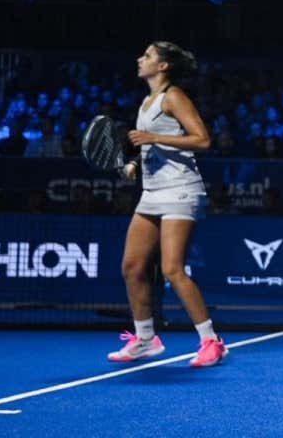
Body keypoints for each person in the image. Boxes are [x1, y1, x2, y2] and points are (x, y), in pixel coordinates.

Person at [107, 42, 226, 368]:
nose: (139, 59)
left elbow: (202, 140)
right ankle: (145, 339)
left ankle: (211, 342)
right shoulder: (147, 103)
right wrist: (136, 165)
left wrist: (153, 139)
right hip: (153, 192)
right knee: (132, 267)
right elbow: (152, 149)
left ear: (163, 67)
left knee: (173, 269)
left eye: (146, 56)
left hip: (181, 191)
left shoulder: (174, 96)